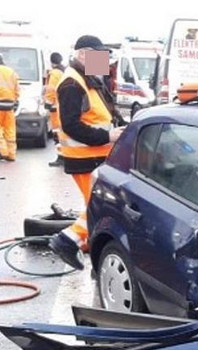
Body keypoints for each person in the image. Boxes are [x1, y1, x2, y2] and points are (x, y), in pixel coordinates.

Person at [48, 35, 125, 270]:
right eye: (99, 55)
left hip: (96, 156)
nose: (104, 60)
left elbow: (104, 114)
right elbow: (71, 124)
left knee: (96, 205)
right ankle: (67, 240)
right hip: (85, 158)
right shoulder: (72, 83)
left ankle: (91, 252)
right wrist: (107, 136)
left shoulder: (88, 79)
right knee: (99, 207)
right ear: (83, 54)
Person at [44, 52, 64, 167]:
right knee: (62, 133)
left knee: (57, 133)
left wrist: (48, 103)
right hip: (61, 107)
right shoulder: (63, 71)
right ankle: (63, 156)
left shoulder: (54, 73)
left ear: (51, 62)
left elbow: (51, 90)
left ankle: (61, 157)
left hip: (55, 109)